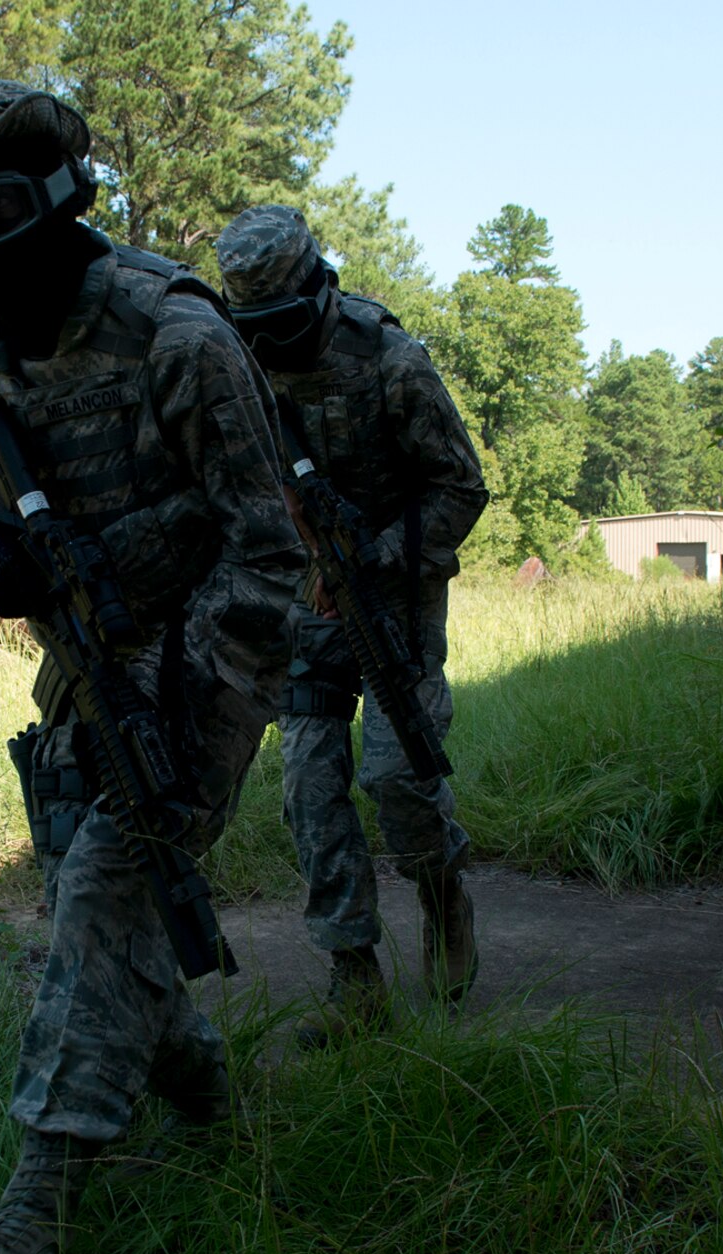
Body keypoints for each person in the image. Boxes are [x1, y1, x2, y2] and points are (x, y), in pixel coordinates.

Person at [0, 80, 303, 1254]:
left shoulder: (174, 335)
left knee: (106, 891)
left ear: (64, 205)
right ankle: (204, 1087)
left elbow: (270, 551)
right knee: (106, 908)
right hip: (81, 669)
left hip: (200, 664)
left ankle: (37, 1213)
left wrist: (202, 711)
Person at [213, 205, 488, 1046]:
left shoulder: (389, 359)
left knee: (398, 778)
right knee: (307, 783)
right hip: (304, 601)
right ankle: (353, 974)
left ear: (320, 291)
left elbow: (459, 487)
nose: (270, 344)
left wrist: (372, 556)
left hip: (392, 594)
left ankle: (442, 891)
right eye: (251, 328)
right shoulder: (238, 370)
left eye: (284, 325)